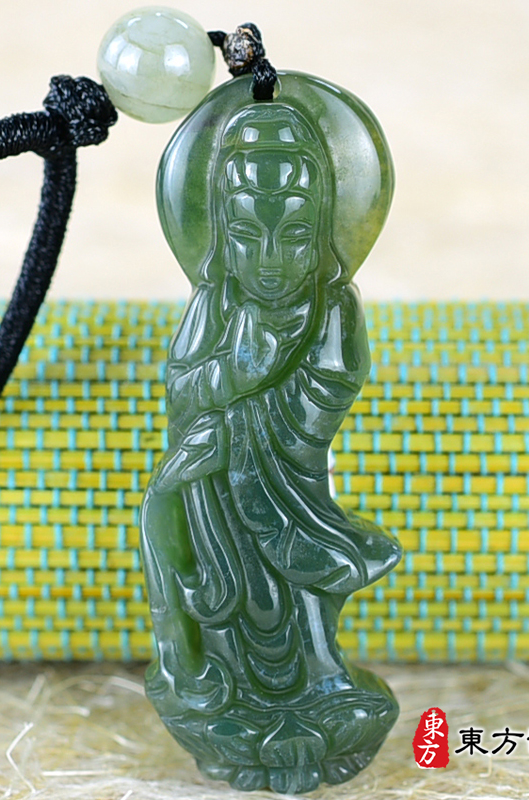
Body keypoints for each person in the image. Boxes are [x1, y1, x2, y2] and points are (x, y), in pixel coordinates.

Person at [140, 102, 402, 794]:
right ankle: (230, 704)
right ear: (222, 232)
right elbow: (183, 384)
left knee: (306, 600)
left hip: (289, 487)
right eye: (248, 236)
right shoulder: (215, 301)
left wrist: (241, 424)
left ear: (322, 229)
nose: (270, 261)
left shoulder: (332, 305)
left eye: (293, 236)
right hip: (218, 510)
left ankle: (324, 688)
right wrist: (232, 376)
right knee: (223, 603)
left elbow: (332, 387)